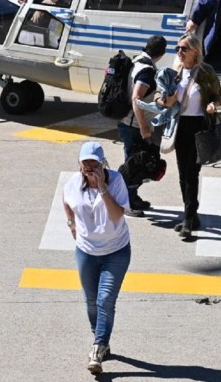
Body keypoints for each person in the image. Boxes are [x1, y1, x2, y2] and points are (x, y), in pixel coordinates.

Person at [63, 141, 131, 375]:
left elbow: (116, 215)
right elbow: (66, 201)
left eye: (94, 162)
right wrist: (71, 224)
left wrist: (102, 187)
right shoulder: (73, 183)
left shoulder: (116, 181)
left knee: (105, 300)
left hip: (116, 251)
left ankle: (98, 347)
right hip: (86, 252)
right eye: (86, 162)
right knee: (91, 301)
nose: (90, 167)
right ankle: (100, 338)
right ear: (79, 164)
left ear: (103, 163)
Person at [154, 35, 221, 237]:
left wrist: (213, 105)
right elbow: (158, 95)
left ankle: (188, 220)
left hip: (199, 126)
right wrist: (163, 101)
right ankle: (191, 214)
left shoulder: (206, 71)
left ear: (195, 50)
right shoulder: (174, 72)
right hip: (179, 125)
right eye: (178, 48)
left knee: (192, 173)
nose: (179, 52)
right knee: (183, 173)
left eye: (184, 48)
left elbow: (219, 96)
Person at [117, 35, 168, 215]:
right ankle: (127, 204)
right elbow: (136, 98)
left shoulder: (135, 61)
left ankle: (131, 197)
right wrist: (144, 128)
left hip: (127, 121)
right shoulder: (146, 70)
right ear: (162, 54)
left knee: (134, 164)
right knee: (134, 167)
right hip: (134, 126)